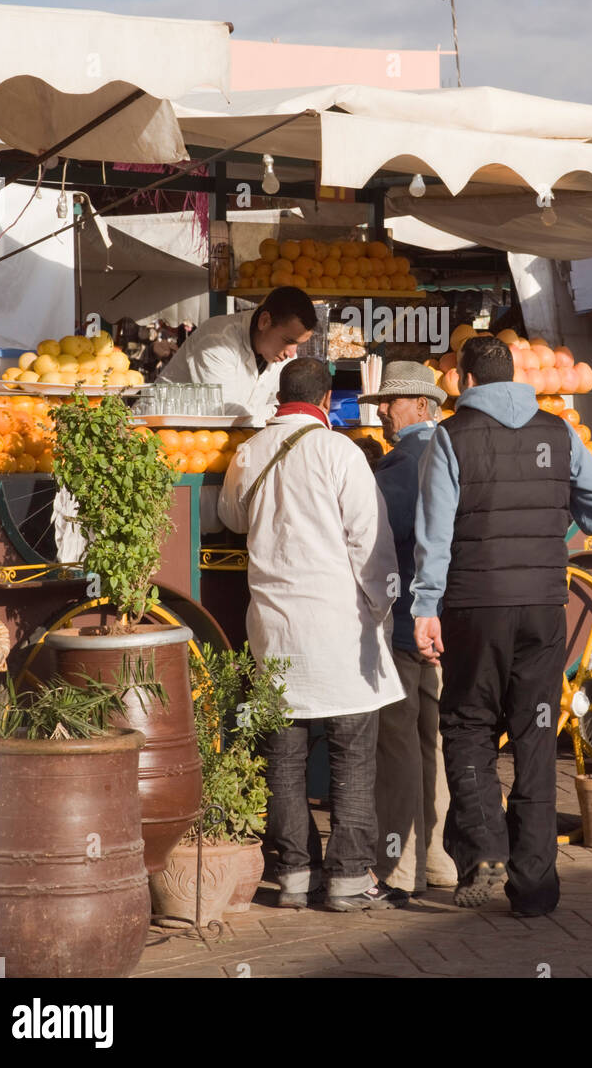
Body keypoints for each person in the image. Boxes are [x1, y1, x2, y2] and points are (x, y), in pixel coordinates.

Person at [411, 335, 592, 918]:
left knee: (466, 724)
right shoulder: (558, 434)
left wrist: (425, 607)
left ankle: (484, 849)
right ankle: (535, 888)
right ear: (516, 378)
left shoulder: (450, 436)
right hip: (542, 606)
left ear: (463, 381)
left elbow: (433, 534)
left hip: (473, 608)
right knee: (535, 736)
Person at [217, 356, 407, 912]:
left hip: (274, 632)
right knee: (352, 758)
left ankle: (295, 875)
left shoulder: (249, 451)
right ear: (326, 400)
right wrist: (382, 608)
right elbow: (370, 545)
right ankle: (349, 880)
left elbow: (230, 516)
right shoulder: (341, 452)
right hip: (341, 633)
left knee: (284, 758)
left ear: (281, 398)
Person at [357, 363, 459, 899]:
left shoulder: (401, 467)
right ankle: (439, 860)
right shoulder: (450, 454)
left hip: (403, 628)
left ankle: (397, 868)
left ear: (421, 406)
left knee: (398, 746)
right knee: (435, 743)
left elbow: (374, 538)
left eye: (389, 401)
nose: (379, 410)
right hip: (447, 626)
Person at [158, 285, 317, 421]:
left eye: (297, 344)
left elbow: (287, 407)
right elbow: (225, 413)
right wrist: (276, 413)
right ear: (264, 321)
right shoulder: (217, 339)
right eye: (288, 341)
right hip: (161, 438)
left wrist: (278, 413)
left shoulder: (284, 356)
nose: (292, 353)